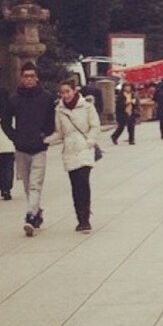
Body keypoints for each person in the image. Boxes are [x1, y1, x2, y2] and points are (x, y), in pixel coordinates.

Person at [0, 61, 56, 236]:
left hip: (39, 147)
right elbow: (4, 121)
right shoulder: (14, 99)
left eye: (32, 76)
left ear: (37, 78)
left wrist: (45, 135)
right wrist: (14, 136)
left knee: (35, 184)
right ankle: (36, 211)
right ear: (21, 78)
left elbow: (52, 120)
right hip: (21, 148)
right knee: (27, 185)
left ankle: (30, 217)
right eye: (26, 76)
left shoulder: (46, 98)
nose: (29, 79)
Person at [46, 79, 102, 232]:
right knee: (75, 185)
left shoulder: (87, 106)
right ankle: (80, 217)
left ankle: (85, 218)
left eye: (68, 91)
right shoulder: (59, 110)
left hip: (84, 148)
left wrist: (90, 141)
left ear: (74, 91)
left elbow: (95, 126)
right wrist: (45, 140)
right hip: (69, 150)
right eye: (62, 92)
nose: (65, 95)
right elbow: (59, 132)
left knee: (83, 182)